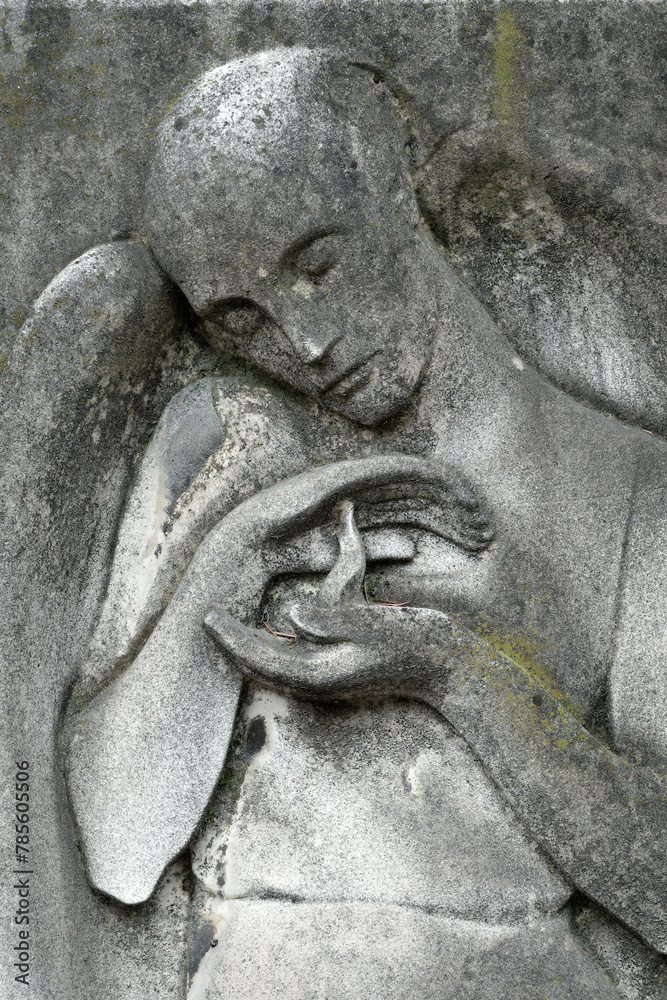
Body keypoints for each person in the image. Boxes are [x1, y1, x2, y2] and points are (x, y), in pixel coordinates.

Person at [63, 48, 667, 998]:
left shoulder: (629, 488)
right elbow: (115, 851)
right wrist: (225, 565)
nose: (302, 343)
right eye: (239, 321)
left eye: (320, 264)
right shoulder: (222, 441)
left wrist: (458, 677)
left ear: (394, 178)